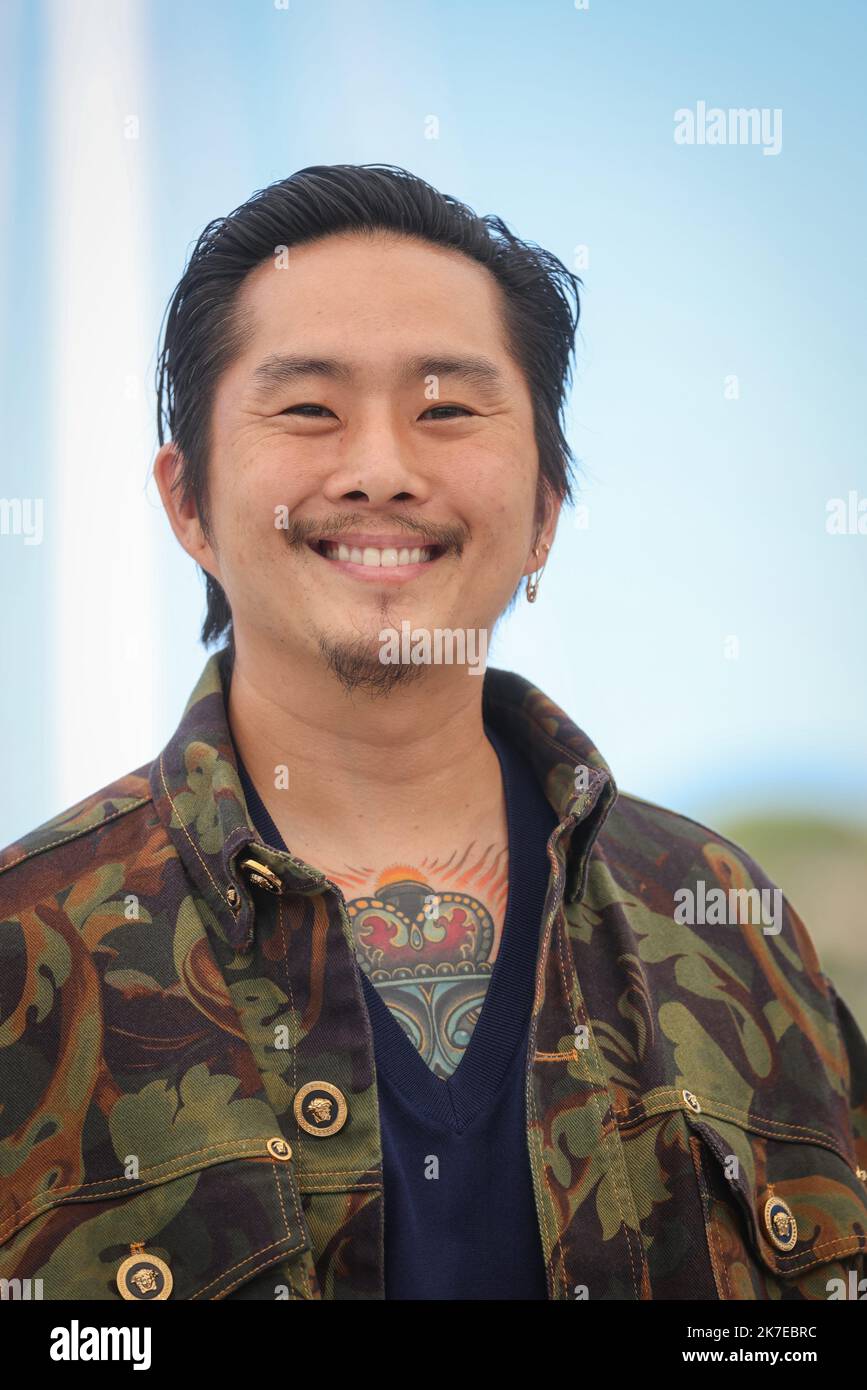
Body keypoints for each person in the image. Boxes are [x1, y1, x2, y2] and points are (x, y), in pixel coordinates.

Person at [1, 164, 865, 1302]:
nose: (382, 471)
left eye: (448, 410)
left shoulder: (734, 929)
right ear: (190, 503)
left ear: (547, 510)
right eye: (308, 407)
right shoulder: (30, 946)